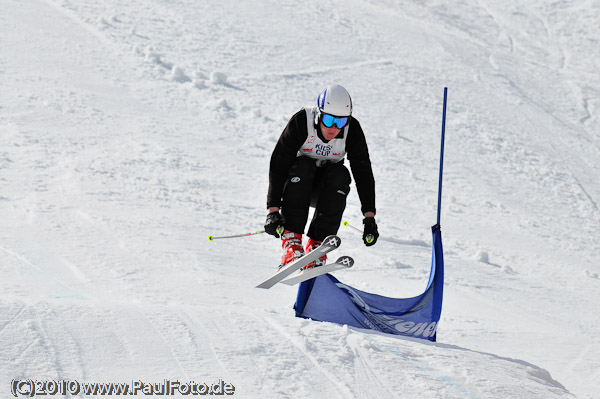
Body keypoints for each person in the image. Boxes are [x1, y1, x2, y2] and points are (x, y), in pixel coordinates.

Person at [264, 84, 379, 268]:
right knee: (304, 165)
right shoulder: (302, 122)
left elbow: (363, 171)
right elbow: (278, 164)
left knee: (341, 174)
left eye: (340, 122)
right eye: (328, 120)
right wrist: (273, 210)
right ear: (319, 114)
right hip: (296, 184)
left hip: (325, 190)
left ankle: (318, 246)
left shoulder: (352, 131)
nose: (333, 128)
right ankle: (291, 242)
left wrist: (369, 217)